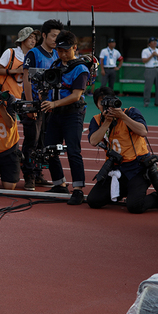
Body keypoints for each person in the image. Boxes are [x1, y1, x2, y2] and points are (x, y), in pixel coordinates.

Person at [86, 87, 158, 213]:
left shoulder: (130, 112)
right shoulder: (97, 120)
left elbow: (143, 131)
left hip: (137, 168)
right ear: (97, 106)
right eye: (102, 102)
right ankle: (125, 191)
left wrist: (122, 116)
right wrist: (107, 122)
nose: (107, 105)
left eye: (109, 101)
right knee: (93, 200)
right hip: (115, 168)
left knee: (135, 207)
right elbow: (93, 141)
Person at [41, 30, 88, 205]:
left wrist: (53, 104)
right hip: (56, 113)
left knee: (73, 151)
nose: (62, 54)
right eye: (59, 50)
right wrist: (44, 97)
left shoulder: (80, 68)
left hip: (73, 114)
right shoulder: (55, 65)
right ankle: (59, 183)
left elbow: (76, 95)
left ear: (75, 48)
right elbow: (50, 89)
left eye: (66, 50)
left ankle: (78, 189)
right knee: (49, 148)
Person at [22, 19, 63, 191]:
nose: (56, 39)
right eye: (53, 36)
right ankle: (29, 175)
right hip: (34, 103)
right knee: (32, 139)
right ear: (44, 35)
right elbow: (26, 79)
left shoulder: (56, 54)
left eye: (58, 36)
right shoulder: (33, 53)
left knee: (44, 142)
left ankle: (38, 173)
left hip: (49, 105)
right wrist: (31, 105)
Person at [0, 27, 35, 100]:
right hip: (8, 98)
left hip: (25, 99)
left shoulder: (34, 56)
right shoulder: (10, 52)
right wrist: (16, 71)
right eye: (30, 38)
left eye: (35, 39)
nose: (33, 41)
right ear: (23, 39)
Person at [141, 37, 158, 108]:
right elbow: (144, 60)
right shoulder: (145, 51)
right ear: (149, 43)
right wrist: (152, 55)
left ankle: (157, 102)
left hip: (157, 68)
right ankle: (146, 102)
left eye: (155, 42)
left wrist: (157, 55)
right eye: (153, 42)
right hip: (149, 69)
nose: (155, 43)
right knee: (148, 87)